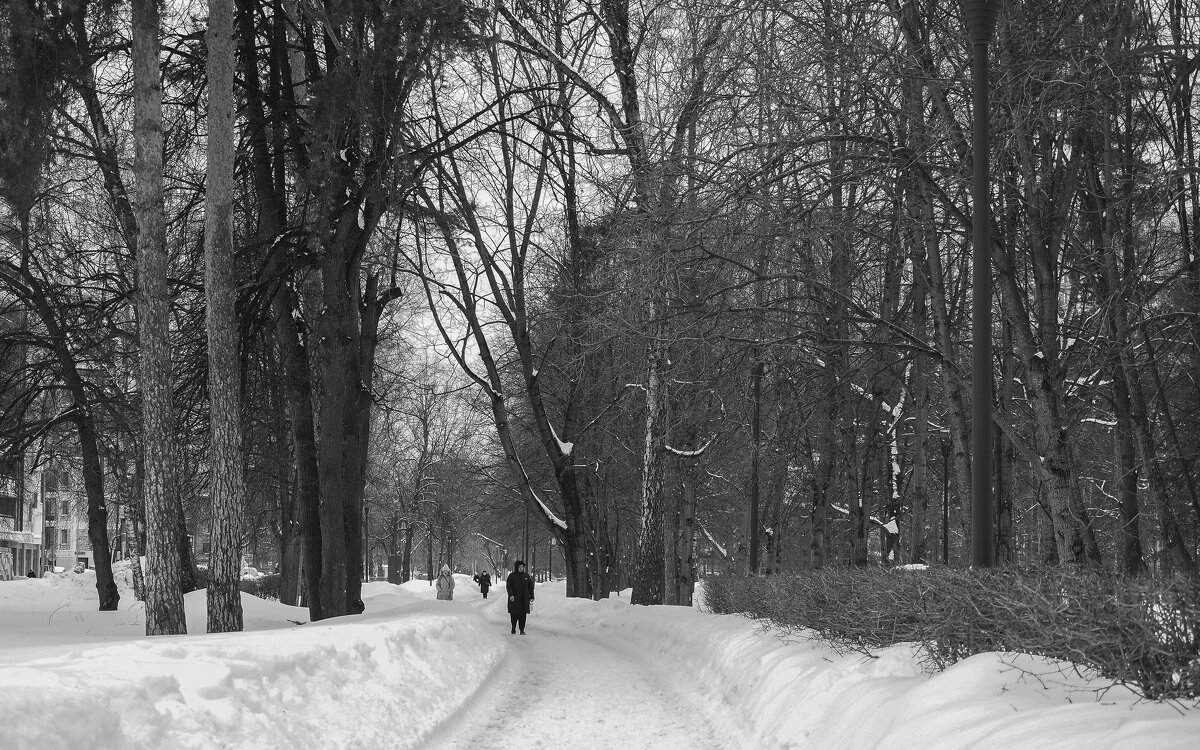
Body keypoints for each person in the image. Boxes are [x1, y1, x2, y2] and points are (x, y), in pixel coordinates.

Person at [506, 560, 534, 634]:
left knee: (523, 615)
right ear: (516, 567)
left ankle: (522, 629)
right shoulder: (512, 576)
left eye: (522, 567)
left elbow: (530, 586)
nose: (521, 568)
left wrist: (532, 596)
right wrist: (511, 595)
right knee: (514, 614)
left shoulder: (526, 576)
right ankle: (513, 627)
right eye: (520, 567)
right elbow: (508, 586)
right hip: (514, 599)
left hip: (524, 599)